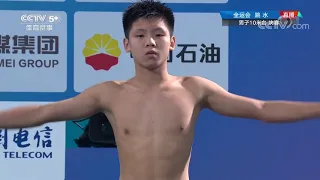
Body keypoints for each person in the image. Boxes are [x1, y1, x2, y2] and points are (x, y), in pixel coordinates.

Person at [0, 0, 319, 179]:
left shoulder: (195, 89)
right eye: (140, 35)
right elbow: (43, 113)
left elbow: (261, 109)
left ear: (173, 42)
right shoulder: (108, 93)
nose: (150, 41)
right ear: (126, 45)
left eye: (158, 34)